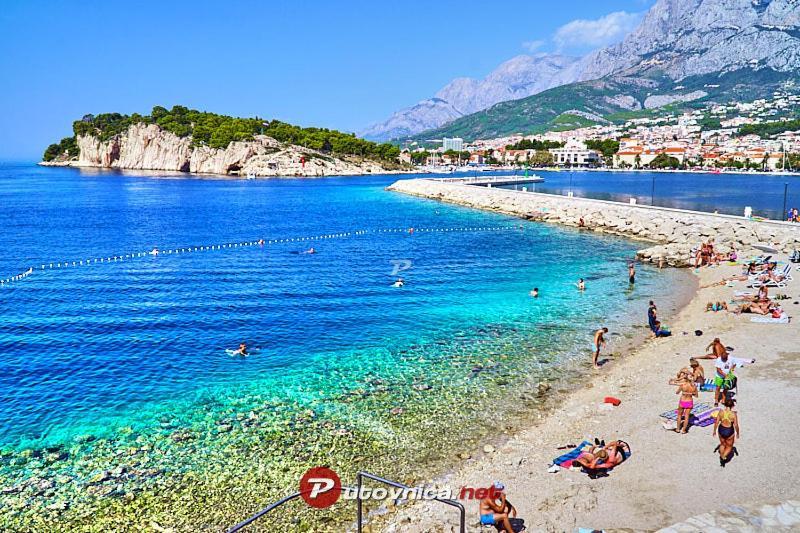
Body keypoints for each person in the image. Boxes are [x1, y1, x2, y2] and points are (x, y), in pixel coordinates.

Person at [713, 395, 740, 467]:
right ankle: (722, 457)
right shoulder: (733, 414)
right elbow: (736, 425)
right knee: (729, 446)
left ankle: (722, 455)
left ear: (725, 405)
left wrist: (714, 431)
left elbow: (716, 422)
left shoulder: (721, 412)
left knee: (722, 444)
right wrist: (737, 433)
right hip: (729, 430)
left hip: (721, 429)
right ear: (732, 406)